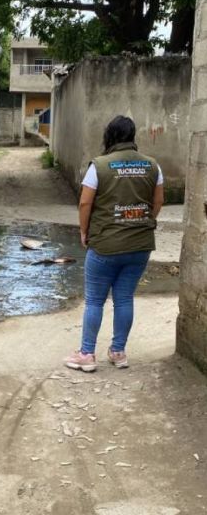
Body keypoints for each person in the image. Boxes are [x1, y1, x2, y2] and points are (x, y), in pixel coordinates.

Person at [65, 115, 165, 372]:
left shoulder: (98, 166)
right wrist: (143, 221)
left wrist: (84, 233)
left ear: (109, 136)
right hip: (140, 245)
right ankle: (118, 352)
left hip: (105, 245)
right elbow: (158, 202)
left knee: (95, 301)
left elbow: (85, 203)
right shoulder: (153, 166)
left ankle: (86, 354)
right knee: (124, 299)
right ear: (133, 136)